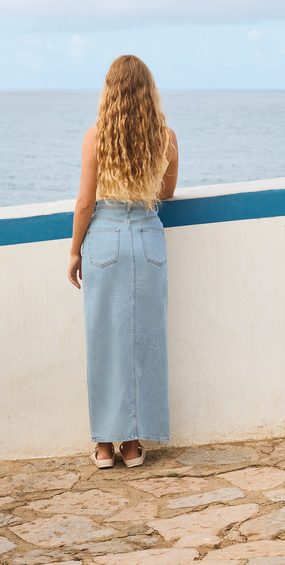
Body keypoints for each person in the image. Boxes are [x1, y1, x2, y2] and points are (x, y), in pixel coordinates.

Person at [68, 55, 179, 469]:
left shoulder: (95, 136)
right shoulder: (165, 137)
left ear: (109, 91)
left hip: (105, 237)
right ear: (149, 90)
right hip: (148, 236)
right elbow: (166, 191)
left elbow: (84, 203)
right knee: (145, 340)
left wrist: (75, 251)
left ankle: (103, 446)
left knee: (104, 341)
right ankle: (133, 447)